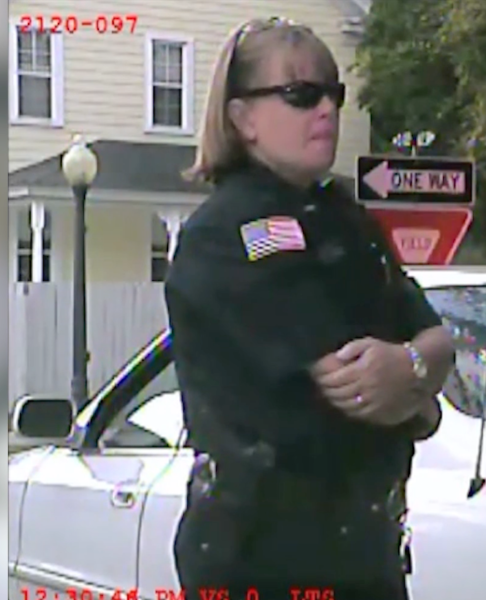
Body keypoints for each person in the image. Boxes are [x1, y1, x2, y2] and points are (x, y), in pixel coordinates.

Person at [163, 17, 456, 600]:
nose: (325, 109)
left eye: (333, 93)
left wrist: (414, 367)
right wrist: (420, 393)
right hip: (263, 557)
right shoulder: (229, 233)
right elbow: (350, 382)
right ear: (243, 118)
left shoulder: (347, 218)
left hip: (363, 551)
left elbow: (434, 337)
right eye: (300, 94)